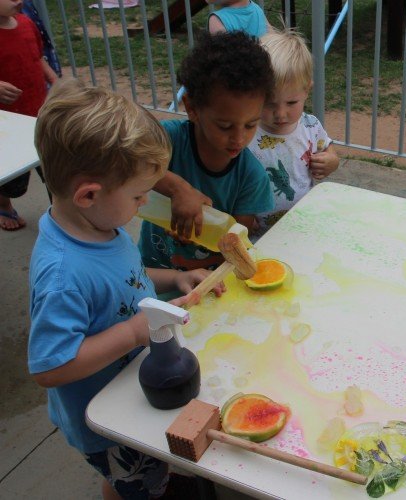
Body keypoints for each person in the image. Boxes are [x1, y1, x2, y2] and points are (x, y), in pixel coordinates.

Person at [28, 78, 224, 500]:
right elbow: (49, 367)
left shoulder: (101, 227)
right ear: (89, 194)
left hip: (134, 385)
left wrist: (173, 279)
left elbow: (127, 277)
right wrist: (134, 332)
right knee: (135, 482)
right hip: (104, 417)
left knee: (149, 471)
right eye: (138, 196)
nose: (143, 205)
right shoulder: (62, 275)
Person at [142, 30, 275, 270]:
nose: (239, 138)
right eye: (225, 126)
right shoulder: (167, 139)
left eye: (250, 125)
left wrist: (196, 238)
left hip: (211, 287)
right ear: (192, 108)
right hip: (151, 275)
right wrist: (177, 189)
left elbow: (236, 246)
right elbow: (120, 157)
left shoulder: (251, 177)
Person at [246, 28, 339, 239]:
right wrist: (241, 215)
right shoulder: (246, 131)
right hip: (258, 232)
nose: (280, 114)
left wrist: (331, 161)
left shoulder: (310, 125)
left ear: (307, 90)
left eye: (291, 102)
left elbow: (329, 150)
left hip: (302, 223)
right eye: (269, 103)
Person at [0, 0, 58, 231]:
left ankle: (63, 215)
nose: (19, 0)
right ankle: (3, 202)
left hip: (40, 115)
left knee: (55, 170)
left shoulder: (26, 23)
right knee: (12, 181)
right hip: (8, 125)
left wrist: (55, 81)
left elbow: (37, 58)